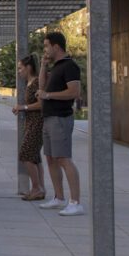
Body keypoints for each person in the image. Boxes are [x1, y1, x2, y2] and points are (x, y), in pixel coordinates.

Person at [36, 32, 84, 216]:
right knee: (50, 158)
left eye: (47, 46)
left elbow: (74, 92)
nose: (45, 50)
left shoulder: (69, 66)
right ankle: (59, 197)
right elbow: (42, 88)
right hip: (48, 117)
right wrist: (42, 66)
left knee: (63, 158)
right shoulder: (56, 66)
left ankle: (76, 202)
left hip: (60, 118)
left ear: (56, 46)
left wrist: (48, 96)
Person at [13, 55, 45, 201]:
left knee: (25, 154)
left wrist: (23, 107)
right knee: (35, 157)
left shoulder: (37, 82)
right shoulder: (29, 82)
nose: (18, 71)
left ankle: (37, 188)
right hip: (31, 122)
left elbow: (41, 104)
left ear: (29, 67)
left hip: (37, 123)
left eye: (20, 68)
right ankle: (39, 188)